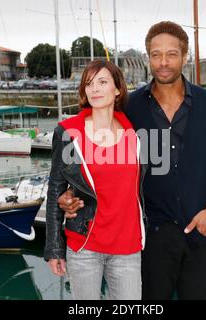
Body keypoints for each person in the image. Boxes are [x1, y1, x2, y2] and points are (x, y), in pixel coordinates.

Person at [58, 21, 206, 300]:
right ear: (147, 58)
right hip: (150, 239)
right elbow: (94, 149)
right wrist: (72, 195)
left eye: (171, 54)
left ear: (185, 56)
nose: (163, 62)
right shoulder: (130, 107)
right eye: (156, 55)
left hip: (201, 232)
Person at [44, 59, 146, 300]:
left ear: (118, 88)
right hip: (85, 245)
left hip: (128, 247)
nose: (95, 89)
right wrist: (54, 248)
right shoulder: (69, 133)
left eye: (102, 82)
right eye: (89, 84)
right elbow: (55, 190)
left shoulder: (135, 134)